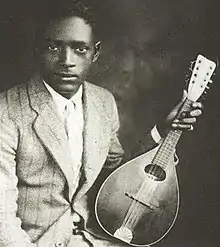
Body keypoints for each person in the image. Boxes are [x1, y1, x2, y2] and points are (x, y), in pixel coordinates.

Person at [0, 0, 202, 247]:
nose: (67, 61)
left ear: (95, 52)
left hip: (95, 237)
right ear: (37, 50)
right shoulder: (7, 111)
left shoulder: (103, 102)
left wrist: (162, 130)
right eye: (53, 47)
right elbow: (3, 219)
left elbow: (113, 177)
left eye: (80, 49)